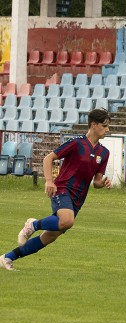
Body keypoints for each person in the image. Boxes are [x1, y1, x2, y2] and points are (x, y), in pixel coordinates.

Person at [1, 108, 112, 271]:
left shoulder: (104, 153)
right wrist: (49, 181)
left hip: (78, 198)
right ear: (94, 125)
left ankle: (7, 258)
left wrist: (103, 183)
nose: (107, 129)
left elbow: (96, 181)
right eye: (105, 125)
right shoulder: (76, 143)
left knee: (51, 236)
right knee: (67, 221)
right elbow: (49, 158)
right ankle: (33, 224)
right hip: (62, 189)